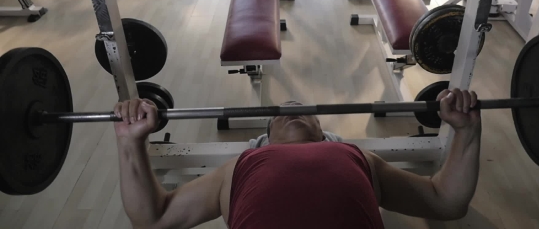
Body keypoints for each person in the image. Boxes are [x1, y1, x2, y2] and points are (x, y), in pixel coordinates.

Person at [113, 89, 481, 229]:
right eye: (279, 115)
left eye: (305, 112)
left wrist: (466, 131)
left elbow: (445, 201)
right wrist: (130, 142)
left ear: (323, 134)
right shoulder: (237, 168)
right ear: (264, 140)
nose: (291, 113)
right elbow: (154, 217)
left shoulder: (358, 158)